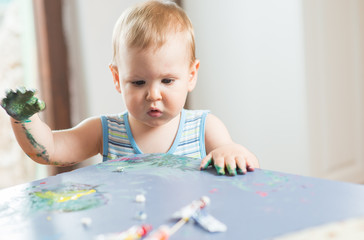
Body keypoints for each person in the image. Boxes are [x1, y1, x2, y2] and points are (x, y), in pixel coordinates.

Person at [1, 0, 259, 175]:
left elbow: (246, 164)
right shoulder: (106, 131)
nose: (153, 95)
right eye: (138, 82)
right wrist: (24, 120)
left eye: (167, 81)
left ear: (191, 75)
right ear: (117, 78)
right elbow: (50, 150)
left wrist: (233, 153)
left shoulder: (205, 128)